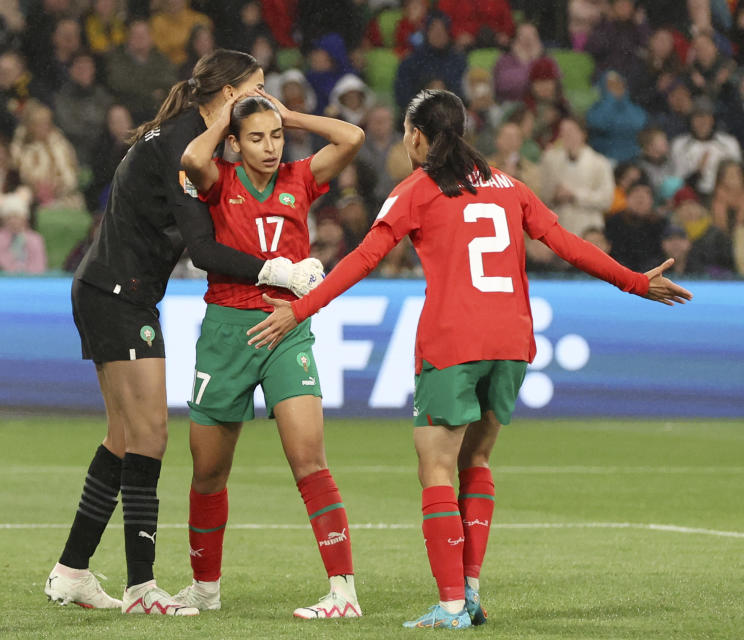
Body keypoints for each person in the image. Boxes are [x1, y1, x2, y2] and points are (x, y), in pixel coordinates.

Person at [246, 89, 692, 630]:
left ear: (415, 136)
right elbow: (567, 243)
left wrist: (300, 310)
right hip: (511, 343)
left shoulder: (417, 190)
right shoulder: (510, 186)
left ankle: (452, 605)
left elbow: (363, 259)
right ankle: (471, 593)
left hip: (453, 341)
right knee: (475, 463)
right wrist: (635, 282)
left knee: (435, 466)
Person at [43, 49, 325, 617]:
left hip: (107, 289)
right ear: (228, 95)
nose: (267, 100)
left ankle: (72, 570)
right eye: (258, 90)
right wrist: (277, 269)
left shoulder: (183, 136)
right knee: (150, 438)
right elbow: (202, 248)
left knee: (122, 438)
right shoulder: (183, 146)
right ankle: (142, 588)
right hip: (119, 295)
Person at [172, 92, 364, 618]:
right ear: (234, 144)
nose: (270, 147)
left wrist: (288, 114)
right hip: (226, 333)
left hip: (286, 329)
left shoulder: (301, 178)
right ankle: (204, 590)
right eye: (256, 138)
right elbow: (191, 160)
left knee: (310, 461)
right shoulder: (220, 181)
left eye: (276, 136)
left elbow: (352, 137)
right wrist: (222, 122)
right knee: (208, 473)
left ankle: (343, 594)